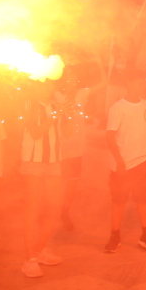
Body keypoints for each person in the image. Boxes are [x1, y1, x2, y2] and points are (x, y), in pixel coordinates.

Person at [105, 72, 146, 254]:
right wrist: (119, 160)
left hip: (143, 161)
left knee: (143, 199)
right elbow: (110, 136)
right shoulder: (117, 108)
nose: (141, 86)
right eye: (137, 82)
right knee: (119, 201)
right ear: (128, 84)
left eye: (142, 82)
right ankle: (115, 236)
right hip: (123, 164)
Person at [19, 80, 63, 277]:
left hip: (54, 160)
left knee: (55, 207)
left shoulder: (55, 105)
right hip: (33, 162)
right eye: (42, 84)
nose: (47, 87)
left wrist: (69, 118)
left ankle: (40, 249)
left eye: (49, 84)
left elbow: (66, 134)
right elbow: (36, 133)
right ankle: (29, 260)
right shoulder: (29, 104)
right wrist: (53, 117)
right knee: (33, 209)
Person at [54, 62, 103, 232]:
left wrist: (99, 60)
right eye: (68, 74)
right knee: (56, 182)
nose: (71, 78)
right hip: (59, 146)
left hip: (76, 146)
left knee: (72, 183)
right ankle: (51, 211)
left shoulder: (82, 94)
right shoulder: (56, 95)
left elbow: (104, 83)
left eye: (74, 75)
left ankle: (65, 211)